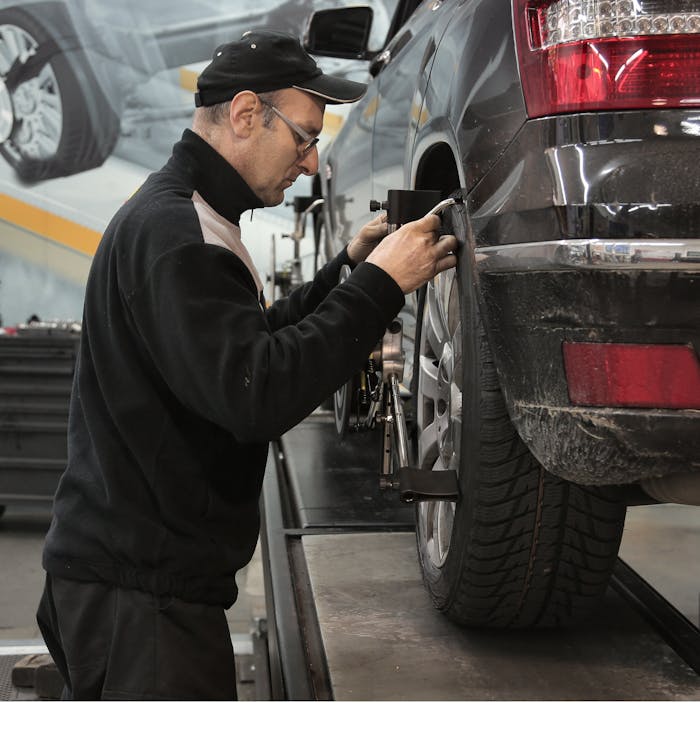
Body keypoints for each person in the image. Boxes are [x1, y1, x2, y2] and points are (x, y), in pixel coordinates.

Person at [36, 30, 457, 700]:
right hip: (142, 604)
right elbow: (255, 390)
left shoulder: (190, 215)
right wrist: (381, 287)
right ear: (244, 115)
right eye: (304, 136)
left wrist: (347, 272)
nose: (314, 162)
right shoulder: (177, 234)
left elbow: (243, 342)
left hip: (140, 585)